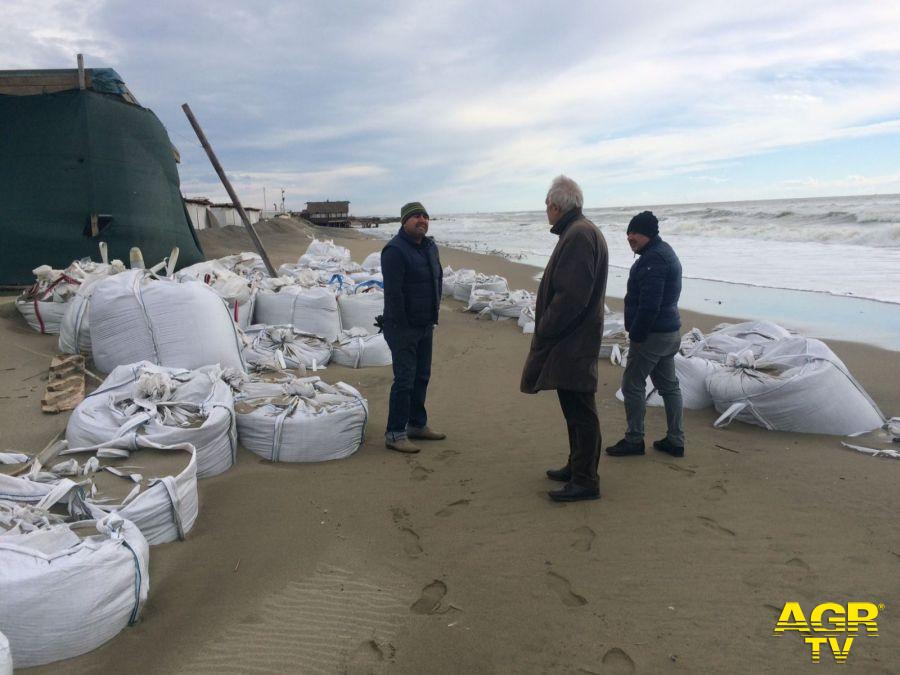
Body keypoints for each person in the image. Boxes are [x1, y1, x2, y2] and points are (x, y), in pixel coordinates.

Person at [521, 176, 609, 502]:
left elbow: (572, 296)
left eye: (547, 206)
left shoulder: (580, 235)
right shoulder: (579, 231)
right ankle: (577, 466)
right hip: (573, 340)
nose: (546, 212)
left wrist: (545, 327)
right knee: (573, 408)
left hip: (574, 341)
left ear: (556, 206)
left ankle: (586, 479)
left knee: (581, 410)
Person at [606, 211, 685, 458]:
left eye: (635, 232)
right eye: (628, 232)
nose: (630, 237)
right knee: (669, 386)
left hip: (653, 334)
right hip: (669, 331)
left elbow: (650, 305)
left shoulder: (654, 260)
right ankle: (675, 440)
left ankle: (634, 439)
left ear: (648, 233)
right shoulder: (662, 253)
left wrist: (637, 335)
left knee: (632, 384)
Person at [380, 201, 445, 454]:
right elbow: (394, 294)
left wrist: (432, 317)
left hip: (426, 323)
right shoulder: (394, 251)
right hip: (402, 327)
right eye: (416, 216)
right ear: (404, 221)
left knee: (422, 376)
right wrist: (402, 326)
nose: (422, 220)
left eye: (425, 216)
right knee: (405, 380)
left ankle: (417, 424)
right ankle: (395, 433)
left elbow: (436, 280)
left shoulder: (430, 246)